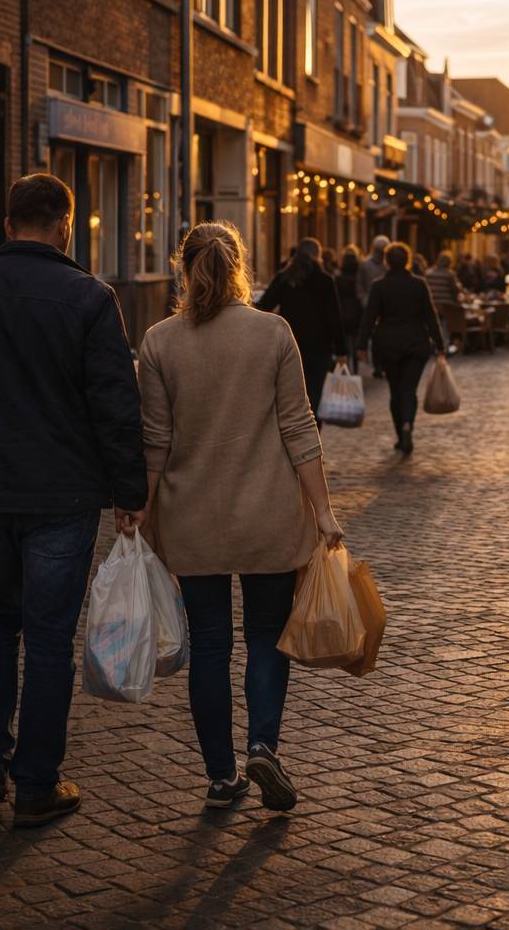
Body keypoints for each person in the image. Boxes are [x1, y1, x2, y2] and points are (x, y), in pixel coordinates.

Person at [0, 173, 147, 828]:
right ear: (64, 225)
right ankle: (36, 783)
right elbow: (113, 405)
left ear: (7, 222)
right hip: (63, 494)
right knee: (47, 637)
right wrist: (130, 492)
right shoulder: (89, 298)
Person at [138, 222, 343, 813]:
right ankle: (263, 745)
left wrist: (142, 512)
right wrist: (324, 512)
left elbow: (154, 440)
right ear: (238, 269)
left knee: (209, 646)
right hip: (269, 515)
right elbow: (299, 429)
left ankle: (222, 775)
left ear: (183, 269)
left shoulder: (158, 343)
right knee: (264, 640)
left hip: (192, 517)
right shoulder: (272, 332)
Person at [356, 242, 445, 456]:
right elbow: (429, 316)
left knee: (396, 391)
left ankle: (400, 433)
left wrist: (361, 345)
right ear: (407, 260)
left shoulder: (379, 286)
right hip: (416, 343)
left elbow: (369, 317)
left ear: (387, 261)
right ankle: (407, 425)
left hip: (388, 345)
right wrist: (440, 344)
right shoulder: (419, 284)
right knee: (409, 389)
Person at [257, 239, 346, 420]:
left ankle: (296, 425)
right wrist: (342, 350)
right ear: (317, 256)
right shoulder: (325, 281)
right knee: (315, 392)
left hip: (290, 343)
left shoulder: (284, 278)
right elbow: (334, 317)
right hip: (320, 346)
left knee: (292, 391)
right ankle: (312, 429)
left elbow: (264, 306)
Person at [334, 248, 364, 369]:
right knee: (356, 338)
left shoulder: (338, 277)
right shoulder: (359, 277)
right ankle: (356, 367)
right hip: (357, 310)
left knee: (346, 340)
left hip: (343, 310)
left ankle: (347, 365)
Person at [356, 235, 389, 307]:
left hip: (386, 303)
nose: (380, 254)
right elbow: (360, 284)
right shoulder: (365, 264)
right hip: (369, 302)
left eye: (382, 251)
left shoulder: (389, 265)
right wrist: (364, 300)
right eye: (378, 250)